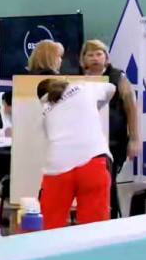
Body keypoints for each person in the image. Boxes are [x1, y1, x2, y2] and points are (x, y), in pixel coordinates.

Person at [37, 78, 116, 230]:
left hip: (58, 166)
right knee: (94, 227)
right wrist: (95, 107)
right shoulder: (84, 87)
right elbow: (111, 88)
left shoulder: (45, 111)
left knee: (49, 225)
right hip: (93, 159)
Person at [79, 40, 140, 219]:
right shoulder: (77, 79)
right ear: (83, 59)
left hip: (114, 140)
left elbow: (131, 108)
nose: (95, 58)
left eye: (99, 54)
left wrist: (135, 139)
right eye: (90, 55)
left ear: (106, 57)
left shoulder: (119, 77)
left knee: (107, 181)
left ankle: (111, 218)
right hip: (85, 140)